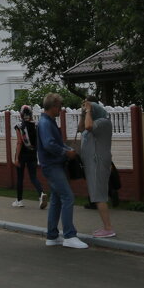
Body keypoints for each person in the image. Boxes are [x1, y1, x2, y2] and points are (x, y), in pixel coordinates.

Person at [37, 94, 87, 249]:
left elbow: (54, 143)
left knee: (57, 200)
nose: (61, 109)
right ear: (53, 106)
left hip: (52, 165)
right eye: (59, 106)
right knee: (68, 197)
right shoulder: (45, 123)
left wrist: (67, 149)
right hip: (52, 166)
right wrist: (66, 152)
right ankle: (69, 236)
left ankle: (52, 236)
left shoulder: (48, 121)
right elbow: (49, 144)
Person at [80, 97, 116, 238]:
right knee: (97, 194)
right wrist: (83, 114)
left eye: (90, 111)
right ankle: (106, 227)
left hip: (98, 163)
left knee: (99, 194)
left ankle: (108, 228)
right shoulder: (94, 121)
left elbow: (88, 127)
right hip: (92, 164)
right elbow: (81, 128)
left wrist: (88, 110)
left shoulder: (103, 122)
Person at [10, 105, 44, 208]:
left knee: (20, 178)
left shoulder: (19, 126)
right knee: (33, 177)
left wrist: (16, 158)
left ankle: (19, 201)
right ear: (31, 114)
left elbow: (20, 142)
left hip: (22, 155)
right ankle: (41, 194)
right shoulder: (36, 125)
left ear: (21, 114)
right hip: (33, 153)